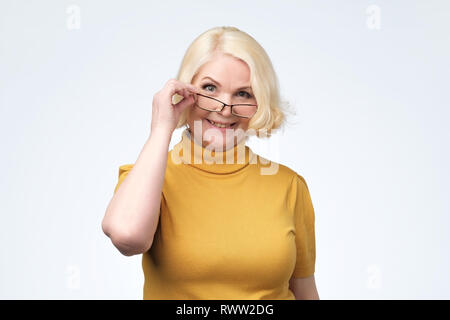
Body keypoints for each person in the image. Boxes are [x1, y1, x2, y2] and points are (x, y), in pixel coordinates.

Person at [102, 26, 319, 300]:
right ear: (184, 92)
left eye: (243, 94)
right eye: (209, 88)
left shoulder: (289, 185)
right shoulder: (148, 179)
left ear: (259, 103)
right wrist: (161, 128)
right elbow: (128, 237)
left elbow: (305, 292)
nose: (224, 108)